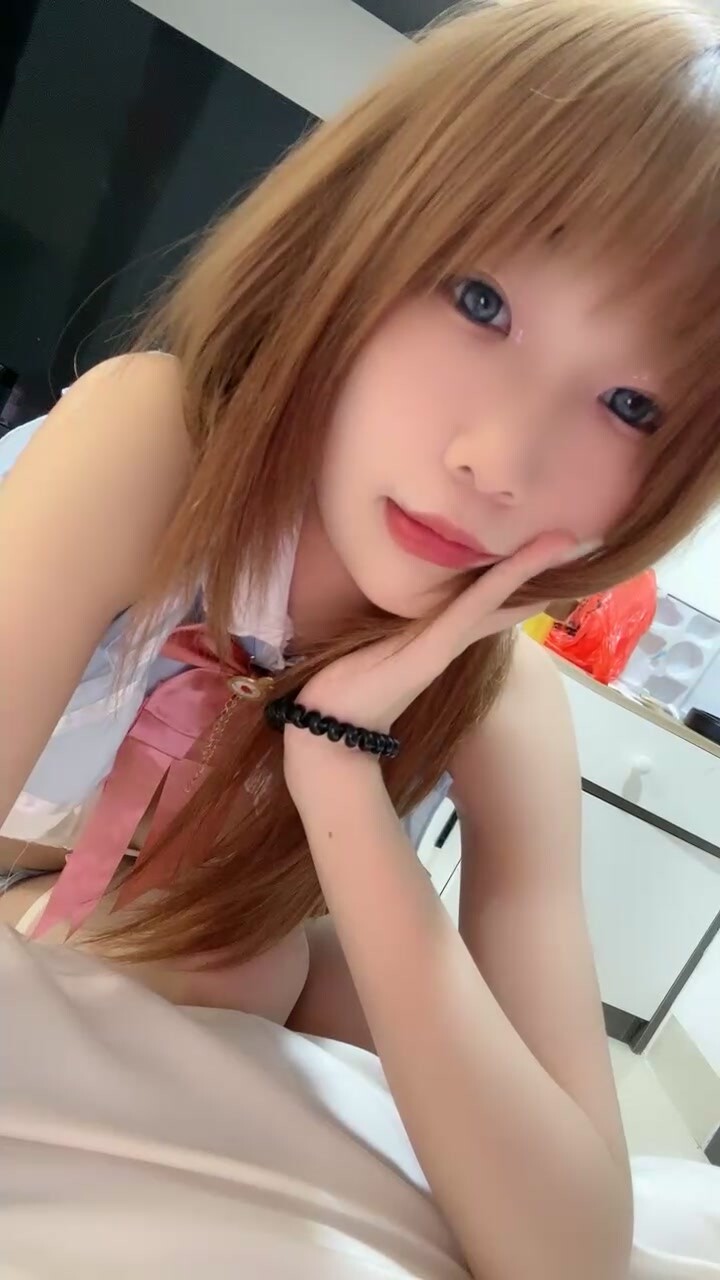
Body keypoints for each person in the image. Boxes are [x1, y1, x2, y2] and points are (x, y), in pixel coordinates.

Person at [2, 0, 720, 1274]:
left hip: (167, 924)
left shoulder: (499, 702)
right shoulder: (150, 447)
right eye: (481, 299)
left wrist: (338, 763)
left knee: (258, 966)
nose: (498, 458)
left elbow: (569, 1252)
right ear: (354, 235)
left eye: (630, 403)